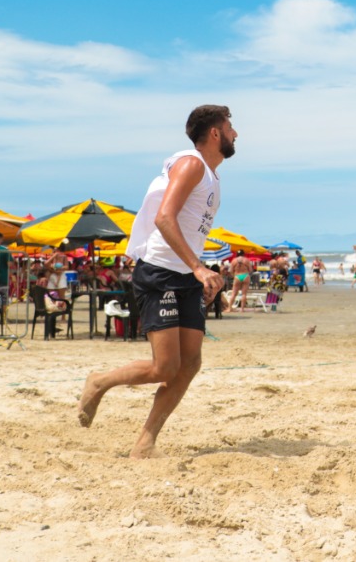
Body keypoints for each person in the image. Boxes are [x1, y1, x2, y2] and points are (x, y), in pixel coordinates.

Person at [78, 104, 234, 459]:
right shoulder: (191, 163)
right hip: (161, 273)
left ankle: (145, 443)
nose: (235, 134)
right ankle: (99, 381)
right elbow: (165, 218)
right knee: (164, 367)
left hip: (186, 277)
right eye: (230, 127)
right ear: (215, 133)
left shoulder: (211, 175)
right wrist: (199, 268)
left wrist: (203, 275)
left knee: (190, 364)